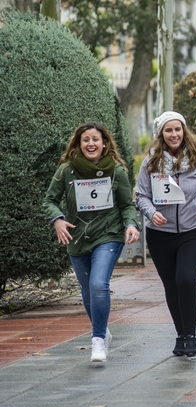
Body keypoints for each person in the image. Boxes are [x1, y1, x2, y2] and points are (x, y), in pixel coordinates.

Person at [43, 122, 140, 363]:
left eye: (95, 139)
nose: (91, 143)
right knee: (87, 290)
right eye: (85, 139)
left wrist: (130, 224)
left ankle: (97, 340)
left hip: (108, 235)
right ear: (78, 144)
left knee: (98, 284)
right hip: (77, 238)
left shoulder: (116, 171)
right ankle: (103, 331)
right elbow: (49, 201)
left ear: (104, 143)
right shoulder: (66, 171)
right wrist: (57, 220)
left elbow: (127, 204)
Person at [136, 111, 196, 357]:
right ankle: (180, 335)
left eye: (178, 129)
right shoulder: (150, 161)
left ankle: (191, 335)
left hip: (194, 229)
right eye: (168, 130)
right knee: (171, 286)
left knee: (185, 278)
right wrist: (151, 213)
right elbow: (141, 194)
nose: (174, 134)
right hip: (160, 233)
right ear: (161, 134)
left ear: (184, 131)